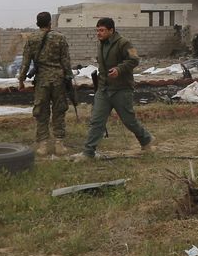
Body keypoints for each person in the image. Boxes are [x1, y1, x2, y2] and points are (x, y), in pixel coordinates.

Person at [72, 17, 153, 161]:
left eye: (102, 30)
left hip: (121, 89)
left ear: (111, 30)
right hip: (104, 89)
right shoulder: (101, 44)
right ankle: (88, 152)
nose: (99, 33)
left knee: (129, 121)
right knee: (96, 121)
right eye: (97, 30)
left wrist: (119, 69)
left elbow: (134, 60)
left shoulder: (124, 43)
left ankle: (146, 140)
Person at [18, 11, 72, 156]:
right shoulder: (60, 38)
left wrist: (21, 80)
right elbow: (66, 61)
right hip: (58, 81)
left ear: (37, 24)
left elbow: (25, 62)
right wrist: (68, 77)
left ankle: (43, 145)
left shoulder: (32, 39)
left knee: (41, 111)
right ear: (50, 23)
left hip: (41, 81)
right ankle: (59, 144)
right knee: (59, 111)